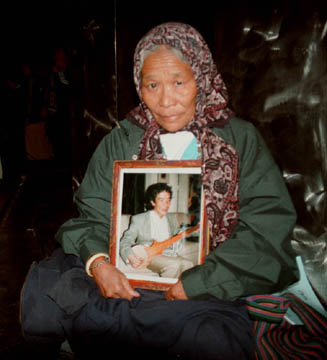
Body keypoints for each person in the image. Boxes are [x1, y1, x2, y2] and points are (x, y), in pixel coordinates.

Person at [20, 22, 299, 359]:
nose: (166, 101)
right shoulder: (122, 141)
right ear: (140, 86)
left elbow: (266, 229)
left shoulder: (239, 141)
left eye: (179, 82)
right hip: (130, 283)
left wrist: (200, 283)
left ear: (202, 77)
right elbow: (91, 218)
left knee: (210, 340)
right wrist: (99, 265)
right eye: (152, 85)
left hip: (214, 287)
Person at [120, 182, 195, 278]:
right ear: (152, 202)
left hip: (169, 253)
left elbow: (179, 234)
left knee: (188, 264)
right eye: (161, 200)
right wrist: (129, 256)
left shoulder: (171, 218)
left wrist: (197, 228)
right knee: (174, 265)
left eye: (168, 200)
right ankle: (165, 292)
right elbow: (126, 240)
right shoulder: (139, 219)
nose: (166, 205)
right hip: (150, 254)